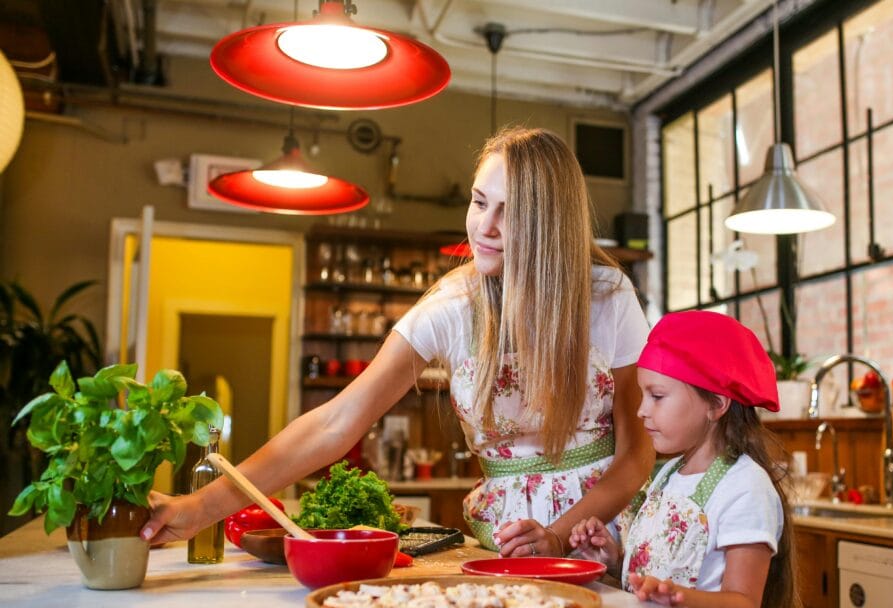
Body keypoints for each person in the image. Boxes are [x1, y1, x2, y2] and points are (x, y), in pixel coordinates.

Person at [141, 126, 655, 558]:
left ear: (550, 223)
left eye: (511, 212)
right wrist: (199, 507)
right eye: (479, 203)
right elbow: (335, 422)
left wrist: (561, 535)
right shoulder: (453, 305)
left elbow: (636, 454)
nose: (487, 228)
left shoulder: (607, 297)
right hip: (505, 538)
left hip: (600, 533)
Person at [568, 310, 804, 608]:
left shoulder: (744, 487)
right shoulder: (667, 474)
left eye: (657, 396)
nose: (641, 410)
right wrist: (614, 561)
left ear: (717, 404)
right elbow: (661, 573)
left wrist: (678, 598)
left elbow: (743, 607)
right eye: (642, 394)